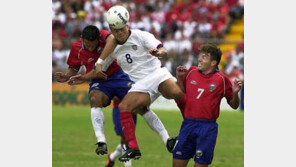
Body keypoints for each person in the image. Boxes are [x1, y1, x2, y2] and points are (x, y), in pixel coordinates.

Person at [94, 5, 184, 161]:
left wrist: (158, 52)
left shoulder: (141, 35)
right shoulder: (112, 48)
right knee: (125, 107)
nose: (120, 33)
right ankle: (134, 148)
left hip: (157, 74)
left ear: (128, 25)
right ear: (111, 30)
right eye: (116, 31)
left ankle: (189, 128)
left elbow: (163, 50)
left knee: (177, 93)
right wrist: (84, 76)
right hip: (140, 86)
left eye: (122, 29)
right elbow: (100, 68)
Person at [54, 25, 134, 156]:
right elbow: (73, 67)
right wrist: (66, 75)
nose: (91, 48)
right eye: (88, 45)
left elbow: (112, 38)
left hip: (117, 76)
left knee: (140, 102)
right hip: (98, 81)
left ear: (98, 39)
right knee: (94, 98)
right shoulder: (76, 48)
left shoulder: (104, 36)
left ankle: (165, 139)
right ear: (82, 39)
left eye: (93, 45)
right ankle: (101, 141)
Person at [173, 43, 243, 167]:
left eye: (205, 57)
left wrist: (236, 93)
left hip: (207, 128)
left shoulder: (222, 79)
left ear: (213, 63)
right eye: (200, 55)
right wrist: (179, 78)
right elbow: (183, 93)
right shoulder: (191, 72)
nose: (199, 59)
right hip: (188, 125)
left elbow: (234, 105)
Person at [105, 99, 137, 167]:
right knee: (125, 137)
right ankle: (127, 165)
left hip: (132, 109)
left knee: (128, 138)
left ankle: (112, 157)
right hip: (119, 108)